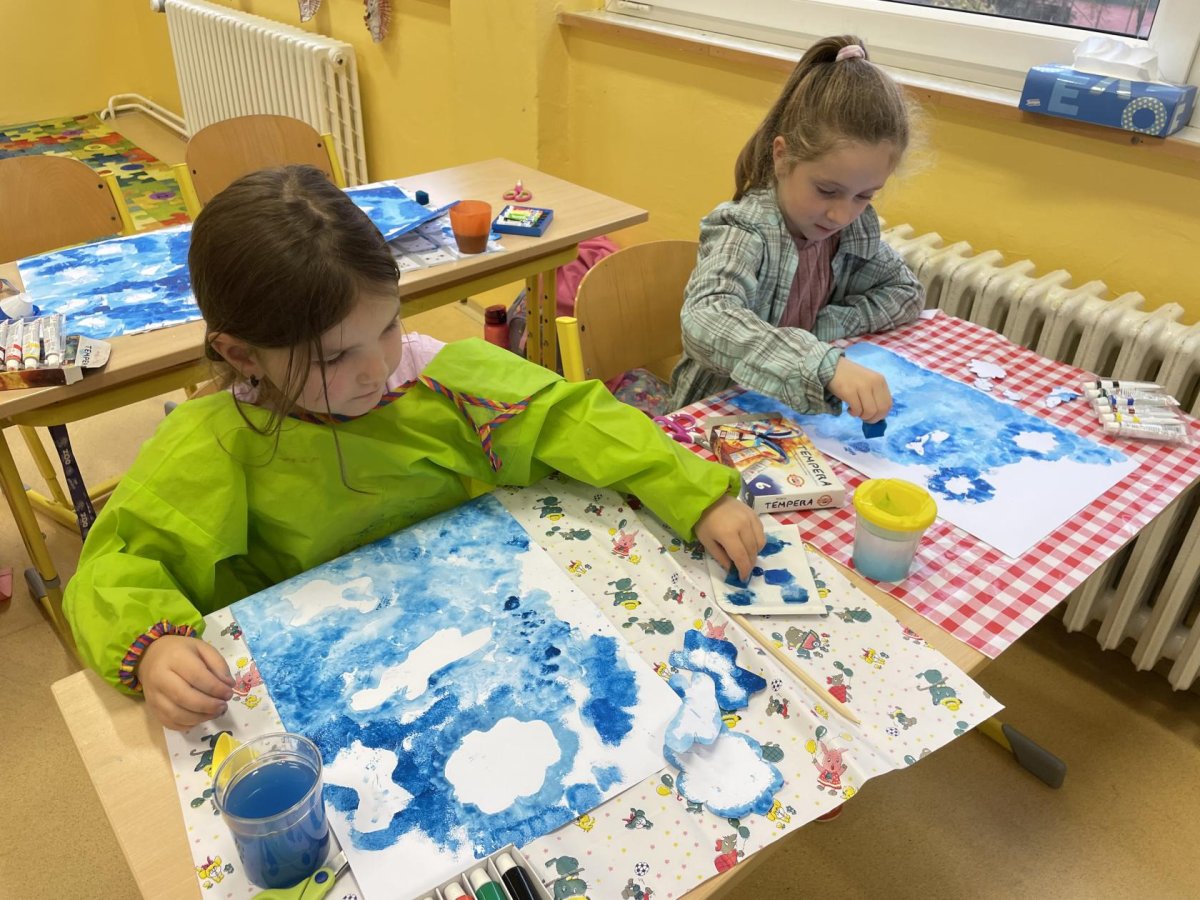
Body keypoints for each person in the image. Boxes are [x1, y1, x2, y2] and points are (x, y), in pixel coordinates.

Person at [63, 165, 764, 731]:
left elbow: (571, 418)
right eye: (334, 356)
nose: (376, 368)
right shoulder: (211, 442)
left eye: (389, 326)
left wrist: (693, 493)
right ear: (242, 354)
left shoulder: (436, 379)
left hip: (467, 637)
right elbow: (115, 565)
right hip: (322, 677)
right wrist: (154, 647)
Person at [669, 35, 924, 423]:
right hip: (711, 418)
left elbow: (905, 292)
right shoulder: (746, 229)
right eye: (826, 190)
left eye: (864, 196)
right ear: (782, 156)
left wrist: (825, 325)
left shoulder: (851, 232)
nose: (841, 214)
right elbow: (705, 318)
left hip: (795, 419)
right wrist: (819, 362)